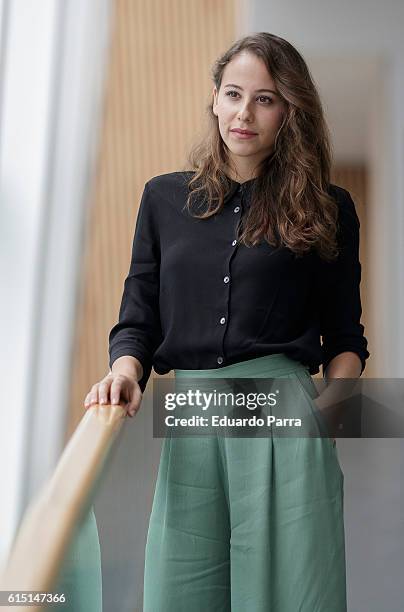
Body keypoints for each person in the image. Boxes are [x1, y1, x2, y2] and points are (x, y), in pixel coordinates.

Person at [84, 32, 369, 611]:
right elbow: (138, 313)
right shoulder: (164, 200)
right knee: (179, 591)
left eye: (265, 99)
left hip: (283, 419)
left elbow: (344, 335)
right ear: (214, 98)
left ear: (289, 111)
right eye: (234, 93)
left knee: (289, 595)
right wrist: (124, 370)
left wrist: (331, 408)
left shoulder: (327, 207)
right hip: (191, 416)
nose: (244, 112)